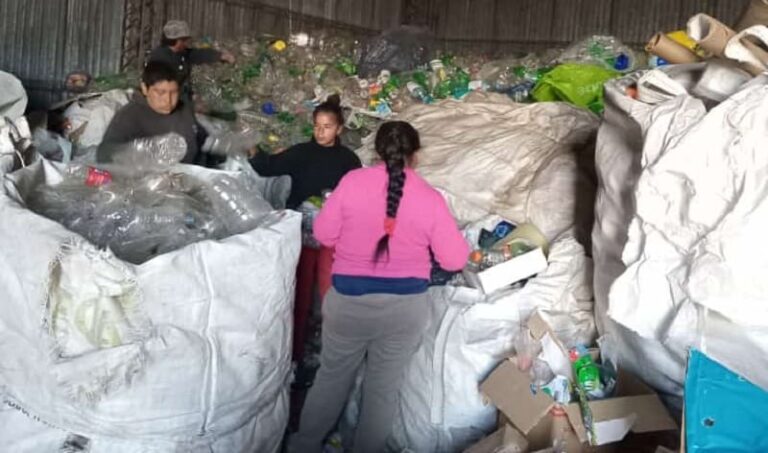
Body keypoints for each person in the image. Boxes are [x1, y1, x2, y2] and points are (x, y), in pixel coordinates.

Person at [289, 121, 470, 452]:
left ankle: (303, 445)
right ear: (415, 156)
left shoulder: (352, 182)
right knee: (382, 390)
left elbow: (324, 234)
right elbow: (455, 259)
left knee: (331, 380)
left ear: (376, 151)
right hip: (403, 313)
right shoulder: (430, 198)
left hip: (347, 305)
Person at [250, 94, 362, 367]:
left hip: (332, 239)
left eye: (327, 126)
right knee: (297, 294)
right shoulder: (302, 153)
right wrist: (251, 149)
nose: (320, 131)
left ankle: (326, 351)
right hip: (299, 233)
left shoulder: (349, 161)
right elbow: (268, 167)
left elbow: (357, 198)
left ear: (339, 129)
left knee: (328, 294)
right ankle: (294, 353)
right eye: (316, 125)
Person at [98, 61, 204, 164]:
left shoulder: (184, 110)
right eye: (161, 92)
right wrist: (143, 151)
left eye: (174, 92)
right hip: (146, 179)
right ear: (145, 89)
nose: (168, 100)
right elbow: (104, 154)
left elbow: (200, 144)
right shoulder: (129, 115)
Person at [147, 20, 235, 101]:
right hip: (165, 103)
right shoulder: (160, 58)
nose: (187, 43)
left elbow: (198, 54)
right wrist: (187, 97)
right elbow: (163, 87)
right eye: (185, 40)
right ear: (178, 40)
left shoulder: (180, 53)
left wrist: (221, 56)